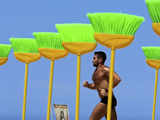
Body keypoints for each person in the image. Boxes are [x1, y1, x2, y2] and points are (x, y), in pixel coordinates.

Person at [83, 51, 121, 120]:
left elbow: (118, 79)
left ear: (100, 60)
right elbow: (95, 86)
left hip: (107, 99)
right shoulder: (96, 71)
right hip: (107, 100)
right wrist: (88, 85)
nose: (92, 60)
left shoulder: (105, 69)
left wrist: (107, 90)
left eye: (94, 58)